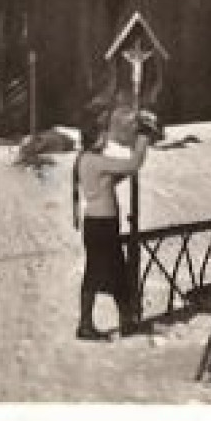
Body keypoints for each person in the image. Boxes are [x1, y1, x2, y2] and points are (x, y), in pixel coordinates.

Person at [72, 90, 159, 341]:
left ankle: (114, 321)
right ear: (94, 138)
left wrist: (120, 174)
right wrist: (143, 139)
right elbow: (133, 164)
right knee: (105, 273)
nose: (105, 139)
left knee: (110, 272)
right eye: (102, 135)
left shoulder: (86, 160)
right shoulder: (96, 160)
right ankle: (94, 324)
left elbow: (105, 183)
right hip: (103, 225)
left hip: (96, 223)